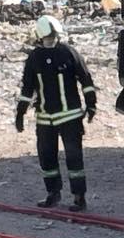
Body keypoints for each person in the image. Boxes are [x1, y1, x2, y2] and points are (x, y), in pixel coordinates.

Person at [15, 15, 97, 210]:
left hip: (64, 117)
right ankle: (62, 194)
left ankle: (74, 196)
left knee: (68, 158)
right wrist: (20, 113)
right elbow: (28, 88)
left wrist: (91, 104)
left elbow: (85, 79)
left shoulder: (59, 54)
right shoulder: (44, 56)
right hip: (52, 118)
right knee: (52, 157)